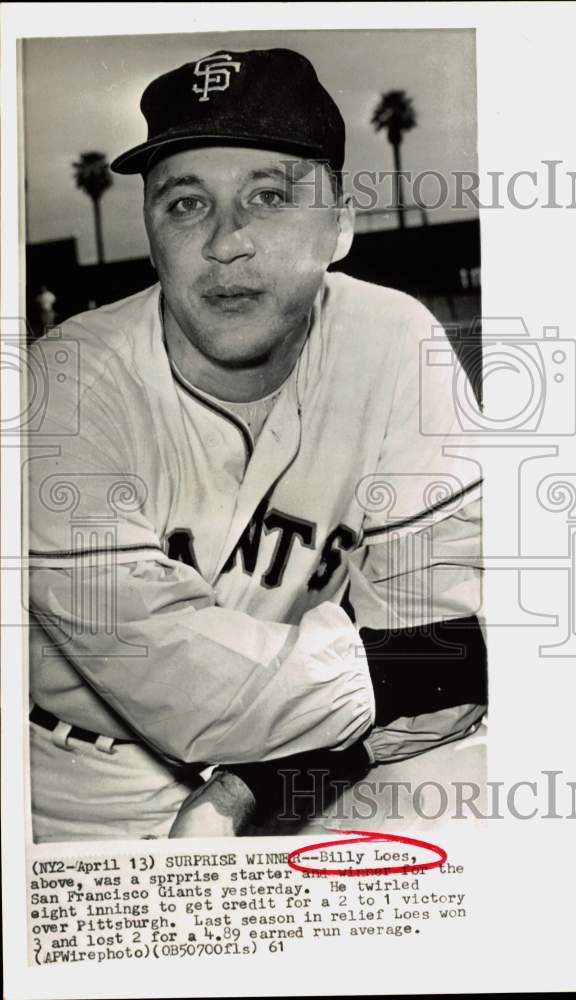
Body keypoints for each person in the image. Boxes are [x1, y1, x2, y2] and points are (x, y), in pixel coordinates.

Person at [26, 47, 485, 842]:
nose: (226, 241)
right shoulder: (60, 381)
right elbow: (190, 689)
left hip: (328, 760)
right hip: (80, 790)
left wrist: (256, 790)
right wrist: (435, 665)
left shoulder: (393, 339)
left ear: (340, 223)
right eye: (185, 204)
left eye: (269, 196)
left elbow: (448, 657)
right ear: (151, 231)